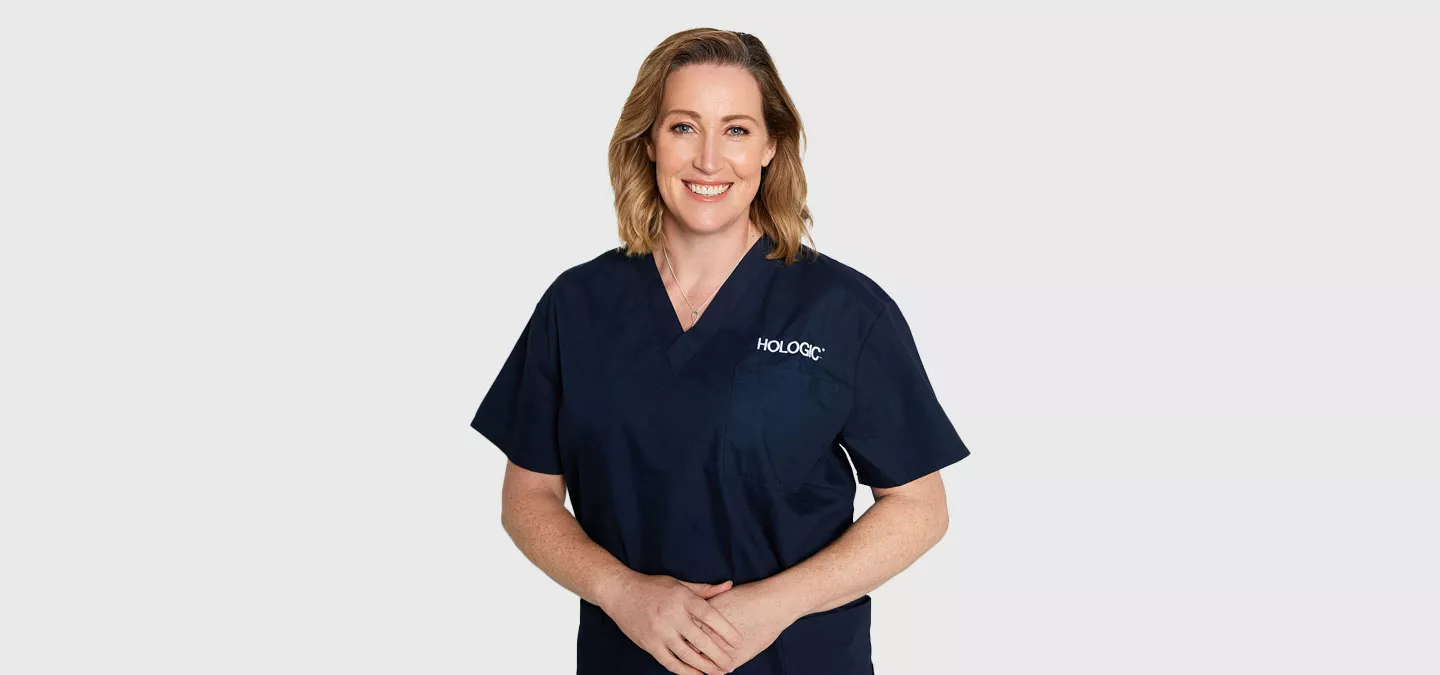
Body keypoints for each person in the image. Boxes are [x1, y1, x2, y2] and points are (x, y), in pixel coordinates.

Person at [470, 28, 972, 675]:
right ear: (647, 141)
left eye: (735, 129)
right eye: (684, 127)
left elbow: (918, 507)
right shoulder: (577, 304)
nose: (709, 158)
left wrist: (772, 606)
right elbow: (528, 497)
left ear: (771, 145)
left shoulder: (845, 309)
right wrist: (622, 592)